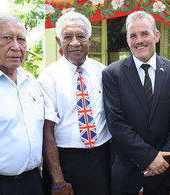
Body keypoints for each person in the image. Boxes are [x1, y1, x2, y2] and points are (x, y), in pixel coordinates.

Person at [102, 11, 170, 195]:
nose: (139, 40)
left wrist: (161, 163)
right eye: (133, 35)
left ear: (156, 36)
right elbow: (116, 123)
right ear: (127, 40)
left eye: (145, 33)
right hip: (127, 175)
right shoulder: (112, 74)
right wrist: (148, 158)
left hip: (162, 174)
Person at [38, 11, 111, 195]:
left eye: (81, 36)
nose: (75, 43)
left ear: (89, 39)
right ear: (58, 41)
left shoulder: (103, 72)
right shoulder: (48, 78)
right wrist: (58, 179)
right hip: (65, 160)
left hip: (101, 159)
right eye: (67, 37)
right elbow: (47, 131)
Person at [0, 12, 44, 195]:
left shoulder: (31, 81)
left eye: (21, 40)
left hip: (33, 182)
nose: (16, 47)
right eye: (7, 38)